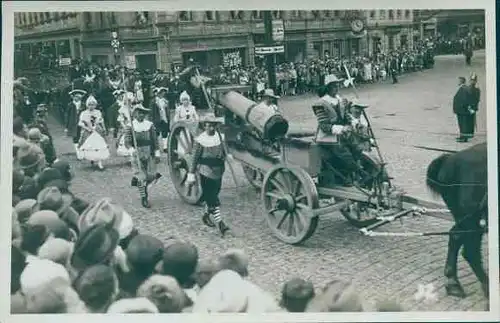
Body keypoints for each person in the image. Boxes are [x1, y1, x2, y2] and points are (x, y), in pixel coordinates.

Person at [186, 112, 231, 237]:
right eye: (208, 125)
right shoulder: (200, 140)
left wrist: (226, 155)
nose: (211, 128)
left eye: (213, 125)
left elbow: (224, 151)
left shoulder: (220, 137)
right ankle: (221, 224)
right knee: (212, 198)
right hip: (205, 171)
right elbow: (194, 158)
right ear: (204, 126)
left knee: (215, 193)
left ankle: (206, 215)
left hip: (219, 170)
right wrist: (191, 174)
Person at [312, 75, 360, 186]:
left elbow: (346, 116)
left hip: (343, 133)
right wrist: (342, 128)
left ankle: (348, 173)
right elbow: (324, 125)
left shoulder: (340, 100)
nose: (337, 87)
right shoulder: (321, 103)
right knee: (344, 153)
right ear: (328, 88)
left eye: (338, 85)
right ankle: (345, 177)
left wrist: (354, 123)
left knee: (358, 146)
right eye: (334, 86)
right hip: (327, 136)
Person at [124, 103, 162, 208]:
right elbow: (127, 141)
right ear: (135, 114)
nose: (141, 115)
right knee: (142, 177)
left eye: (143, 114)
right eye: (139, 113)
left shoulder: (149, 125)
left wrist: (157, 152)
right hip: (137, 154)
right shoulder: (130, 126)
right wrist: (131, 149)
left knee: (151, 175)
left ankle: (137, 181)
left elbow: (155, 140)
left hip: (149, 152)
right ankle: (144, 198)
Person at [77, 95, 110, 170]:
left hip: (97, 130)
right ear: (87, 105)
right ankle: (92, 158)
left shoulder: (98, 112)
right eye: (89, 105)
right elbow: (80, 123)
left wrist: (103, 128)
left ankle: (99, 162)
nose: (91, 106)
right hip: (89, 131)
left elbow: (101, 121)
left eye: (93, 104)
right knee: (90, 146)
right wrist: (87, 128)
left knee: (99, 146)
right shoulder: (84, 113)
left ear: (95, 105)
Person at [65, 89, 87, 160]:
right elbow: (67, 116)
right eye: (75, 96)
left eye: (78, 96)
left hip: (82, 123)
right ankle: (78, 153)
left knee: (83, 137)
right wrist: (67, 126)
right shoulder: (70, 105)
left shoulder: (83, 105)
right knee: (75, 138)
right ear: (73, 97)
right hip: (73, 124)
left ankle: (83, 152)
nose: (76, 98)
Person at [453, 76, 472, 143]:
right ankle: (462, 136)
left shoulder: (463, 89)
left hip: (462, 110)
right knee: (462, 124)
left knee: (463, 124)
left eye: (458, 81)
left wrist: (460, 107)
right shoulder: (463, 88)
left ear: (461, 81)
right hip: (461, 110)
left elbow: (464, 100)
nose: (457, 82)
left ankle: (463, 138)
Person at [151, 87, 170, 152]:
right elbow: (152, 112)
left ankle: (165, 147)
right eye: (160, 93)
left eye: (163, 93)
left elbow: (167, 111)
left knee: (165, 133)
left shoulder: (165, 101)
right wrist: (152, 121)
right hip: (156, 120)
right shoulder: (154, 101)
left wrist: (168, 118)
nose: (162, 94)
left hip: (164, 119)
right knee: (156, 134)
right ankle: (156, 148)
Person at [467, 72, 481, 139]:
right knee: (467, 120)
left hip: (473, 107)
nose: (473, 81)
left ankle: (471, 133)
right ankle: (468, 132)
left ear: (476, 81)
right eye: (472, 80)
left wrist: (474, 107)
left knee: (472, 120)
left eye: (474, 80)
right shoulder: (468, 88)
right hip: (468, 106)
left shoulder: (477, 90)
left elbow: (477, 99)